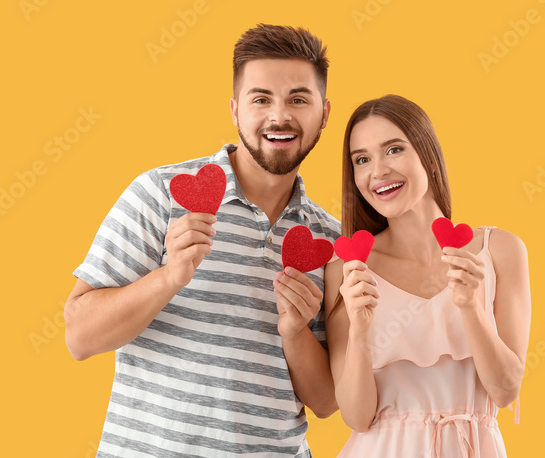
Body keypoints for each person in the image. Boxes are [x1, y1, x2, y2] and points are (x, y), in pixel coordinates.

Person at [63, 24, 341, 458]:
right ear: (235, 110)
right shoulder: (161, 193)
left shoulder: (329, 239)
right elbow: (80, 337)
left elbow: (326, 402)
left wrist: (297, 330)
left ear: (324, 114)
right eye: (261, 98)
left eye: (298, 99)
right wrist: (169, 277)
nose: (279, 116)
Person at [326, 95, 531, 457]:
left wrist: (470, 306)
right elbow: (357, 417)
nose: (378, 171)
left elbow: (505, 390)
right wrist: (359, 330)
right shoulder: (348, 270)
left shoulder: (500, 251)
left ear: (428, 155)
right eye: (362, 159)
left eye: (393, 150)